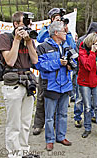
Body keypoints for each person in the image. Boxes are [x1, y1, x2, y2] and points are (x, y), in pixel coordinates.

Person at [0, 11, 39, 158]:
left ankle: (23, 151)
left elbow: (35, 61)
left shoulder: (30, 39)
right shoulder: (4, 38)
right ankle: (14, 154)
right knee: (14, 124)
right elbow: (9, 61)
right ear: (16, 24)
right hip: (13, 83)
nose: (29, 26)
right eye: (25, 23)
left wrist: (28, 42)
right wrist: (16, 40)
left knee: (26, 122)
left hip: (28, 82)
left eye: (29, 23)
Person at [33, 7, 76, 135]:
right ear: (52, 18)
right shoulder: (47, 29)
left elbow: (72, 47)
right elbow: (40, 38)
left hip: (62, 74)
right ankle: (38, 124)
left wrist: (67, 33)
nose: (59, 20)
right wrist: (52, 26)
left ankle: (57, 127)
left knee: (60, 101)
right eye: (57, 17)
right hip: (47, 72)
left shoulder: (64, 32)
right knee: (42, 98)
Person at [77, 33, 97, 143]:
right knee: (87, 107)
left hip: (96, 82)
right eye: (95, 43)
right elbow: (88, 66)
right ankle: (87, 128)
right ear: (90, 43)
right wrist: (92, 52)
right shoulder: (82, 51)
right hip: (84, 82)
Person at [74, 22, 97, 128]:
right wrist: (91, 53)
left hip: (95, 74)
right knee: (80, 98)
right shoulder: (82, 41)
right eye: (96, 32)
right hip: (83, 73)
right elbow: (79, 57)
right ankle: (77, 117)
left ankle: (92, 115)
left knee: (95, 99)